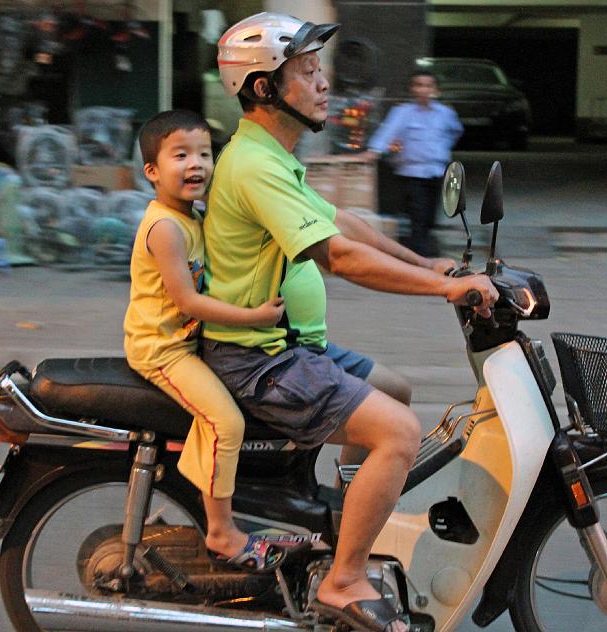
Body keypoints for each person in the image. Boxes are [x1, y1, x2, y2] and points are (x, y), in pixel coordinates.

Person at [202, 13, 498, 632]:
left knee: (395, 390)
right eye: (307, 72)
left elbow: (345, 223)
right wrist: (445, 290)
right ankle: (343, 581)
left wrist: (430, 263)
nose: (322, 83)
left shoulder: (272, 155)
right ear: (262, 88)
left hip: (291, 347)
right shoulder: (254, 164)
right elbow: (336, 255)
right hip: (259, 360)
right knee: (398, 432)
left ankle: (342, 521)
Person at [123, 109, 287, 572]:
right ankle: (221, 531)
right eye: (181, 155)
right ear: (152, 172)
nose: (196, 164)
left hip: (186, 343)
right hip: (162, 349)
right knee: (226, 423)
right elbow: (189, 301)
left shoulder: (192, 215)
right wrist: (252, 316)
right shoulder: (165, 228)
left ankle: (210, 493)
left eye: (204, 153)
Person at [365, 70, 463, 257]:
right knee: (417, 214)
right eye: (419, 85)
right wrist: (374, 151)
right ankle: (420, 255)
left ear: (436, 89)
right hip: (411, 172)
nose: (423, 90)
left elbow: (455, 132)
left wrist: (442, 149)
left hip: (436, 170)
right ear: (412, 88)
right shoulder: (403, 112)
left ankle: (422, 246)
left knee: (431, 215)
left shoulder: (445, 113)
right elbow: (388, 132)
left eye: (428, 85)